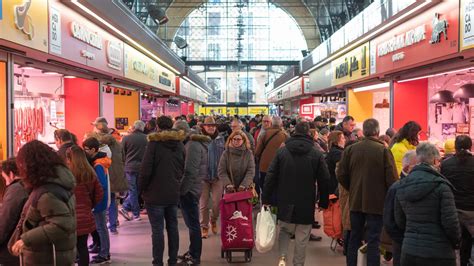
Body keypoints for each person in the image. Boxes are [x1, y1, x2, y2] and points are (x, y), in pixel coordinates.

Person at [263, 121, 329, 266]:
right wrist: (324, 202)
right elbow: (324, 179)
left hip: (285, 199)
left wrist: (266, 198)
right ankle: (298, 264)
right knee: (302, 236)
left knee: (285, 231)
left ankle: (282, 259)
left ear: (294, 133)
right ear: (309, 134)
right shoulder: (316, 153)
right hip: (306, 201)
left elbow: (271, 175)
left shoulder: (282, 151)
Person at [337, 119, 398, 266]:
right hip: (377, 203)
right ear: (377, 132)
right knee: (373, 240)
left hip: (356, 200)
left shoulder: (351, 150)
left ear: (364, 131)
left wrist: (352, 187)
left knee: (354, 238)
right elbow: (392, 180)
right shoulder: (383, 151)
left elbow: (341, 174)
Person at [11, 140, 76, 265]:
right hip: (56, 253)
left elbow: (62, 225)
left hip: (47, 257)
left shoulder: (48, 192)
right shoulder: (58, 183)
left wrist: (25, 239)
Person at [395, 143, 461, 266]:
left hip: (409, 251)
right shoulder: (442, 186)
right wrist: (456, 243)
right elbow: (451, 223)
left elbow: (399, 220)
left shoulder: (401, 185)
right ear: (435, 161)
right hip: (439, 252)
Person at [139, 116, 185, 266]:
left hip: (154, 194)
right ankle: (172, 261)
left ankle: (157, 262)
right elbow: (181, 168)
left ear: (157, 127)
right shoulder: (179, 144)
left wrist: (141, 189)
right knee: (173, 228)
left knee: (157, 231)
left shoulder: (154, 144)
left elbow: (146, 170)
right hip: (172, 192)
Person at [65, 145, 104, 266]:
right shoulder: (90, 172)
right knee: (83, 248)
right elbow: (99, 193)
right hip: (85, 216)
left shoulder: (66, 175)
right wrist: (90, 205)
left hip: (69, 217)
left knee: (69, 249)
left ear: (70, 159)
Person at [177, 126, 211, 265]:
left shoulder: (192, 146)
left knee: (193, 224)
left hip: (190, 189)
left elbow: (190, 171)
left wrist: (182, 190)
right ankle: (193, 252)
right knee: (193, 223)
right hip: (194, 187)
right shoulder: (196, 144)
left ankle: (195, 256)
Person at [441, 135, 474, 266]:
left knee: (453, 242)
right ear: (470, 147)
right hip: (472, 210)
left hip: (453, 209)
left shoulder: (445, 164)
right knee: (469, 242)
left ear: (455, 147)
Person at [383, 150, 417, 266]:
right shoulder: (396, 188)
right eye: (417, 166)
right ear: (407, 167)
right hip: (402, 240)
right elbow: (389, 219)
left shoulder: (396, 186)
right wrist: (399, 238)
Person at [94, 123, 128, 234]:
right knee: (113, 200)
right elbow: (123, 159)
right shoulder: (118, 144)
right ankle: (113, 225)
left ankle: (104, 225)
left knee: (103, 201)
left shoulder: (98, 146)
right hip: (117, 175)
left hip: (105, 174)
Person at [83, 137, 112, 264]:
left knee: (101, 227)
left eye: (86, 150)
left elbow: (102, 185)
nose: (85, 152)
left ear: (94, 149)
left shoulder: (98, 164)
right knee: (100, 227)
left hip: (99, 201)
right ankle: (103, 251)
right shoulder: (100, 161)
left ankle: (104, 253)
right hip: (101, 200)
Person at [199, 117, 226, 239]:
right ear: (203, 126)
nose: (211, 127)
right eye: (208, 125)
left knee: (217, 203)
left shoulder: (221, 139)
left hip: (218, 176)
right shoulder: (199, 140)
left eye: (213, 125)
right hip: (203, 177)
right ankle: (204, 226)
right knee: (204, 204)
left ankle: (213, 220)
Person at [0, 158, 29, 266]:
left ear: (11, 174)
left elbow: (5, 221)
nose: (6, 183)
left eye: (5, 178)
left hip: (12, 250)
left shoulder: (15, 190)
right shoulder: (28, 186)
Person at [119, 120, 148, 222]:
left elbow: (121, 153)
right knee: (138, 190)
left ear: (134, 127)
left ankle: (129, 210)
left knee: (132, 190)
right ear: (142, 128)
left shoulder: (126, 138)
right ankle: (131, 211)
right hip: (142, 168)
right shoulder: (147, 139)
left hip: (129, 167)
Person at [255, 116, 288, 198]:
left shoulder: (264, 134)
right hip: (280, 166)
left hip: (264, 166)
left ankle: (266, 206)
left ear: (271, 123)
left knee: (265, 187)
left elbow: (257, 152)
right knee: (277, 189)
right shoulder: (285, 135)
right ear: (281, 124)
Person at [326, 130, 345, 195]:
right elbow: (340, 171)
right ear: (336, 141)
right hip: (335, 186)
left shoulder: (333, 151)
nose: (344, 140)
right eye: (342, 138)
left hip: (332, 184)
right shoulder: (337, 153)